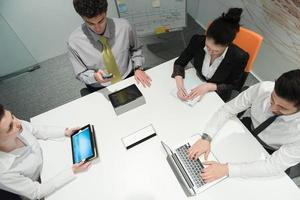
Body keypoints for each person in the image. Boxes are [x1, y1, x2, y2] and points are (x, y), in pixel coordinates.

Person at [188, 69, 300, 182]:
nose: (273, 108)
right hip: (248, 128)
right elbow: (228, 109)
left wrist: (226, 169)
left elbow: (273, 166)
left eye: (283, 108)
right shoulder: (264, 88)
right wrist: (206, 137)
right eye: (272, 99)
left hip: (271, 151)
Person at [0, 104, 91, 200]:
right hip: (41, 182)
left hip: (49, 157)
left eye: (13, 116)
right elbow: (36, 192)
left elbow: (36, 130)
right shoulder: (3, 172)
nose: (18, 122)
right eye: (10, 127)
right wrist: (71, 171)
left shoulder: (16, 125)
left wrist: (65, 132)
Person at [68, 0, 152, 93]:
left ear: (106, 12)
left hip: (129, 77)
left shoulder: (125, 27)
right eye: (90, 23)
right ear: (82, 18)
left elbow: (136, 49)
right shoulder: (74, 42)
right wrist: (94, 77)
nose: (97, 28)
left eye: (101, 21)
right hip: (99, 88)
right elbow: (80, 73)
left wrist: (138, 68)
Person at [172, 8, 249, 102]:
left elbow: (235, 85)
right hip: (196, 81)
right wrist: (180, 88)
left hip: (217, 93)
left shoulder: (239, 57)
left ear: (227, 45)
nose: (210, 52)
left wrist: (210, 86)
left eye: (216, 51)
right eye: (208, 47)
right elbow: (180, 63)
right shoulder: (197, 41)